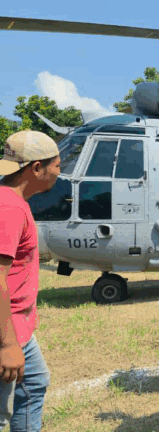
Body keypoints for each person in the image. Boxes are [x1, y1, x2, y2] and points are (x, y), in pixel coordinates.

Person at [0, 130, 60, 432]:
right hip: (7, 328)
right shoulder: (9, 208)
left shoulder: (9, 200)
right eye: (57, 165)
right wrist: (8, 344)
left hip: (16, 325)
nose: (59, 173)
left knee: (34, 383)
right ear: (36, 168)